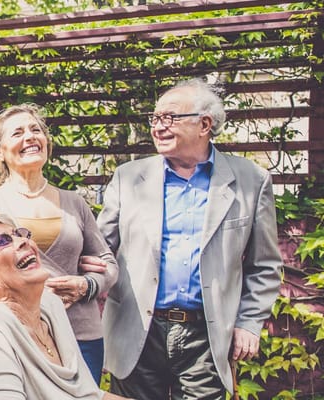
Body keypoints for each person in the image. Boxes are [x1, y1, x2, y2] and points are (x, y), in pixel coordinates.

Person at [98, 78, 283, 399]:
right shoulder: (128, 177)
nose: (158, 127)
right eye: (154, 119)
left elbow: (264, 265)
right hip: (137, 331)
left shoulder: (251, 180)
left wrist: (249, 322)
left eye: (169, 118)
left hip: (207, 335)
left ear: (205, 124)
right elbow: (102, 250)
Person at [0, 103, 118, 383]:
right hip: (19, 333)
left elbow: (108, 263)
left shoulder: (75, 202)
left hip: (81, 333)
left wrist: (87, 285)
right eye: (17, 133)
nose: (30, 137)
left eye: (36, 130)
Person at [0, 210, 128, 400]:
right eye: (2, 241)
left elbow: (90, 395)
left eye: (18, 234)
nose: (23, 241)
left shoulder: (50, 307)